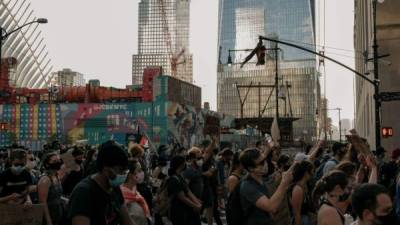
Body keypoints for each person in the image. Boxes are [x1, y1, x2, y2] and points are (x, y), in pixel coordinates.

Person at [67, 141, 136, 225]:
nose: (123, 175)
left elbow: (127, 220)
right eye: (121, 170)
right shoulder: (83, 192)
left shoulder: (114, 188)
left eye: (125, 171)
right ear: (106, 169)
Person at [239, 148, 293, 225]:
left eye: (265, 159)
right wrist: (284, 183)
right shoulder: (247, 186)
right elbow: (271, 207)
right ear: (251, 168)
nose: (265, 163)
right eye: (261, 163)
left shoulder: (262, 180)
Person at [167, 155, 202, 225]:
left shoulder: (180, 176)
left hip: (186, 211)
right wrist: (195, 205)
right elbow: (182, 197)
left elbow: (188, 191)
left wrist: (197, 203)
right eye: (184, 162)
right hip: (178, 212)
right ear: (181, 165)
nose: (186, 164)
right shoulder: (173, 179)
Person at [38, 152, 65, 225]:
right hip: (49, 215)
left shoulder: (56, 176)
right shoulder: (45, 179)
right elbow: (42, 202)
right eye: (55, 161)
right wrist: (48, 221)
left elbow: (56, 195)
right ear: (47, 164)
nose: (58, 163)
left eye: (59, 160)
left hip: (58, 214)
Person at [121, 160, 151, 225]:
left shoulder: (135, 192)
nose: (142, 173)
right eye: (139, 170)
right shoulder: (123, 198)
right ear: (130, 175)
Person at [289, 160, 315, 225]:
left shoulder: (304, 185)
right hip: (302, 220)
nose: (313, 173)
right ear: (306, 173)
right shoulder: (298, 189)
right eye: (312, 171)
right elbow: (296, 212)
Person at [183, 147, 205, 225]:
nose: (201, 160)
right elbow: (185, 188)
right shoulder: (189, 170)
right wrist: (194, 201)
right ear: (192, 158)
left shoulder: (198, 168)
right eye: (198, 158)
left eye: (201, 158)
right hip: (191, 204)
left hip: (197, 202)